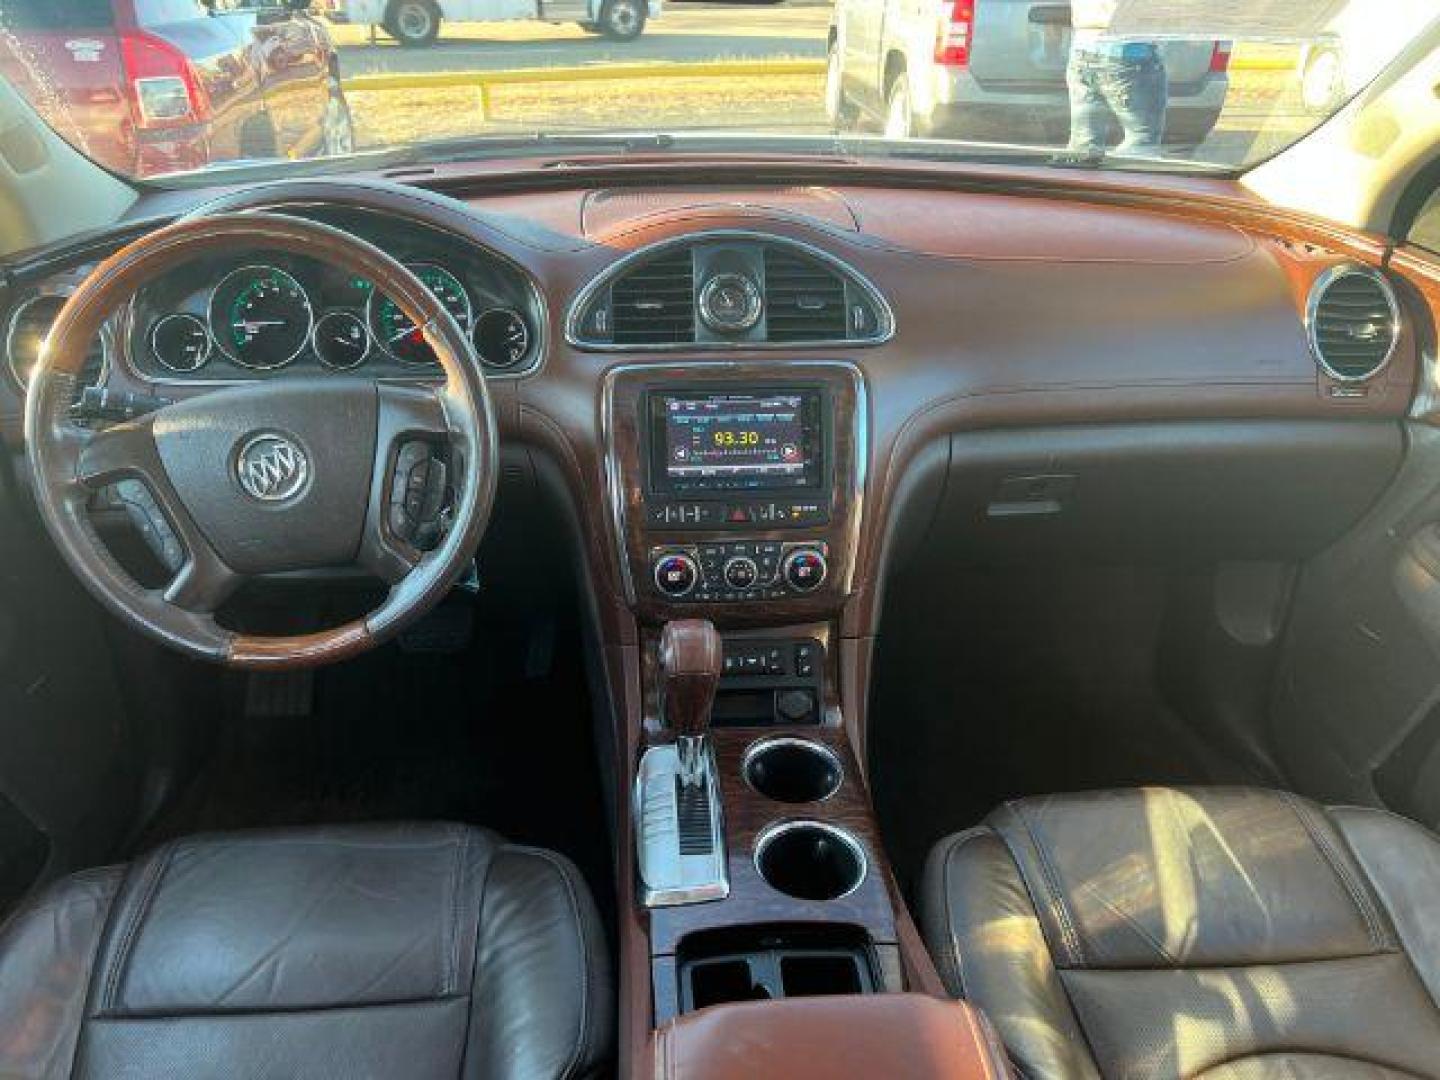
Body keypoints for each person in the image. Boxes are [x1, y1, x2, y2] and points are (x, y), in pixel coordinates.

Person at [1067, 0, 1168, 157]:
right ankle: (1126, 178)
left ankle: (1077, 178)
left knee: (1083, 145)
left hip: (1083, 46)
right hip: (1129, 47)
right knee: (1141, 142)